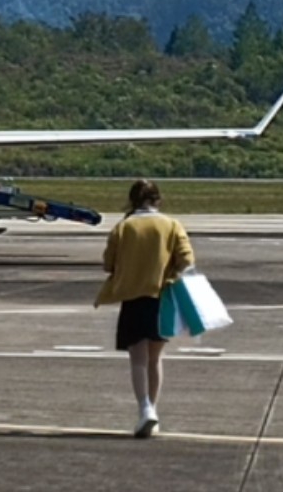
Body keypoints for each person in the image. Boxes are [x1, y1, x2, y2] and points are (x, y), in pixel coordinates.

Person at [95, 179, 193, 438]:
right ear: (157, 200)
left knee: (137, 360)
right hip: (162, 296)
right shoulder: (171, 225)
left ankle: (144, 409)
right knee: (155, 358)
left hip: (134, 298)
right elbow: (186, 259)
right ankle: (154, 410)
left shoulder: (124, 227)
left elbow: (108, 264)